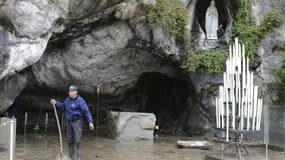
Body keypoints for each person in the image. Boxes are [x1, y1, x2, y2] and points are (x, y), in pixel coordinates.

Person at [51, 85, 94, 160]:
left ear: (75, 92)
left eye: (71, 91)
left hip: (77, 122)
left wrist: (90, 122)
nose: (69, 92)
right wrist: (56, 103)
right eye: (69, 91)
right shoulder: (67, 99)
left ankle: (79, 158)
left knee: (77, 140)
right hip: (69, 122)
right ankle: (71, 156)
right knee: (70, 140)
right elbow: (62, 107)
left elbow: (86, 111)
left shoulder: (80, 100)